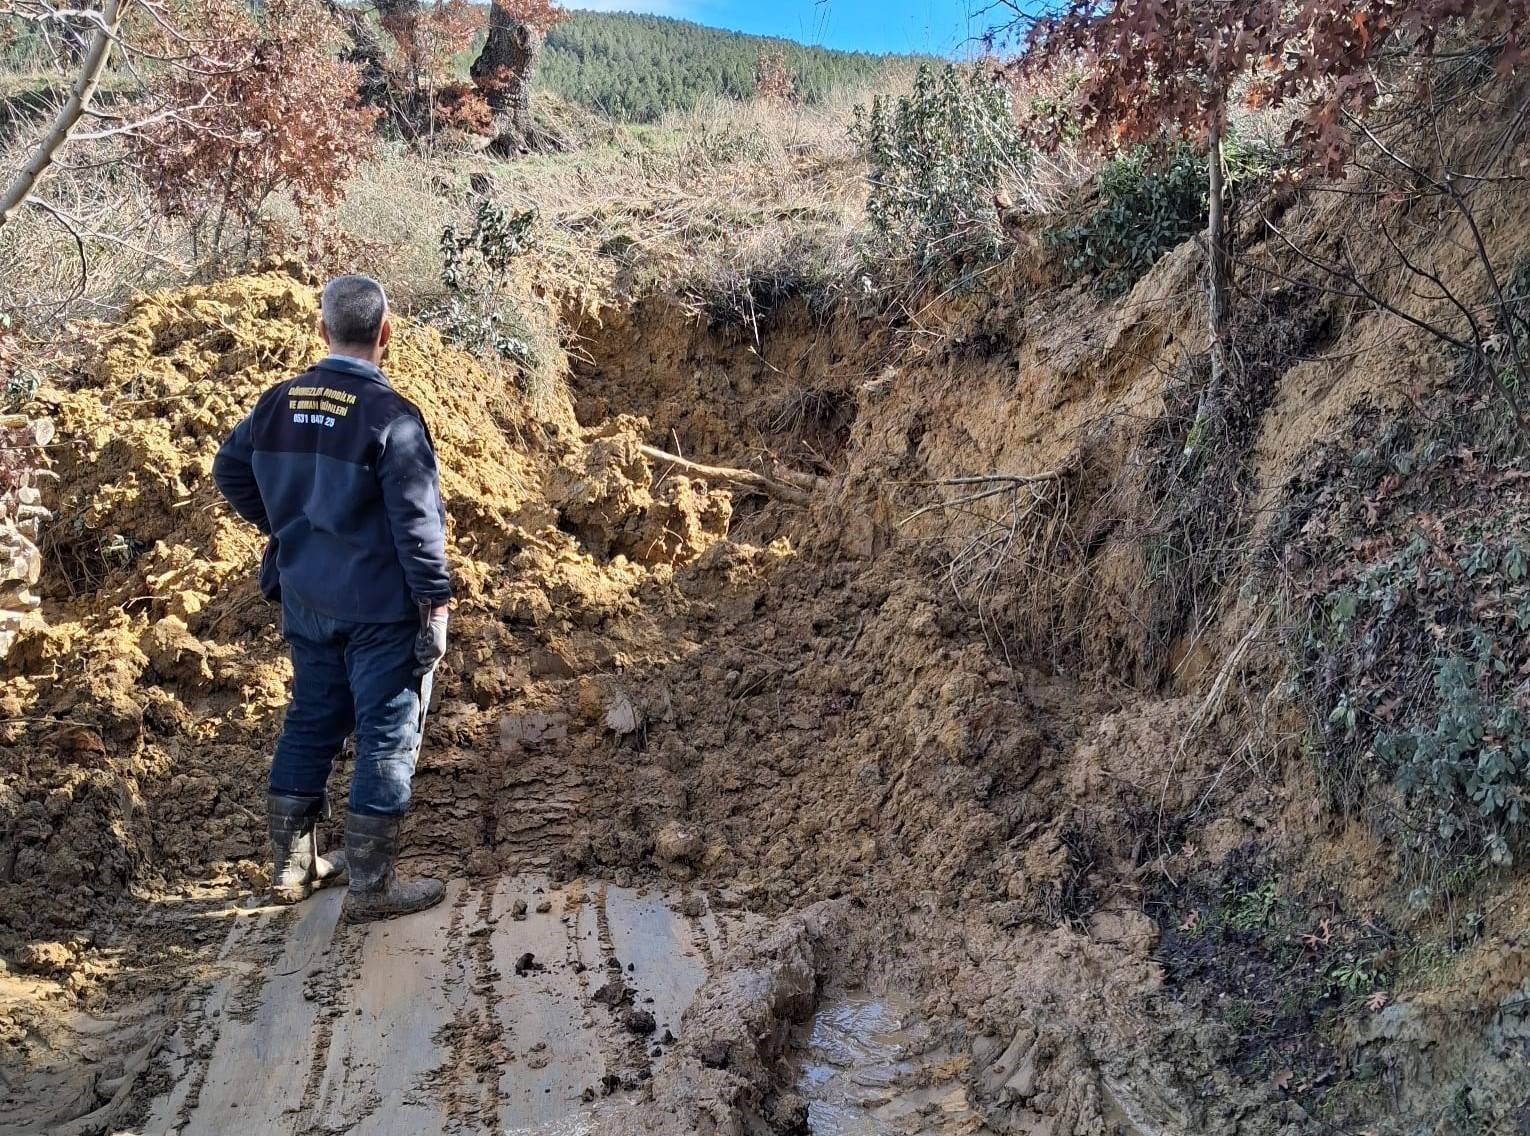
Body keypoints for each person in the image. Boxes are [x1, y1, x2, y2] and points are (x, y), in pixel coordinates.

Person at [213, 274, 451, 924]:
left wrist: (286, 527)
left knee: (313, 718)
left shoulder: (276, 403)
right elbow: (417, 526)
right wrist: (435, 607)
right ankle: (371, 889)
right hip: (378, 609)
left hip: (306, 596)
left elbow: (228, 469)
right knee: (387, 734)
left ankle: (293, 870)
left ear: (321, 330)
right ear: (386, 332)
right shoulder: (391, 418)